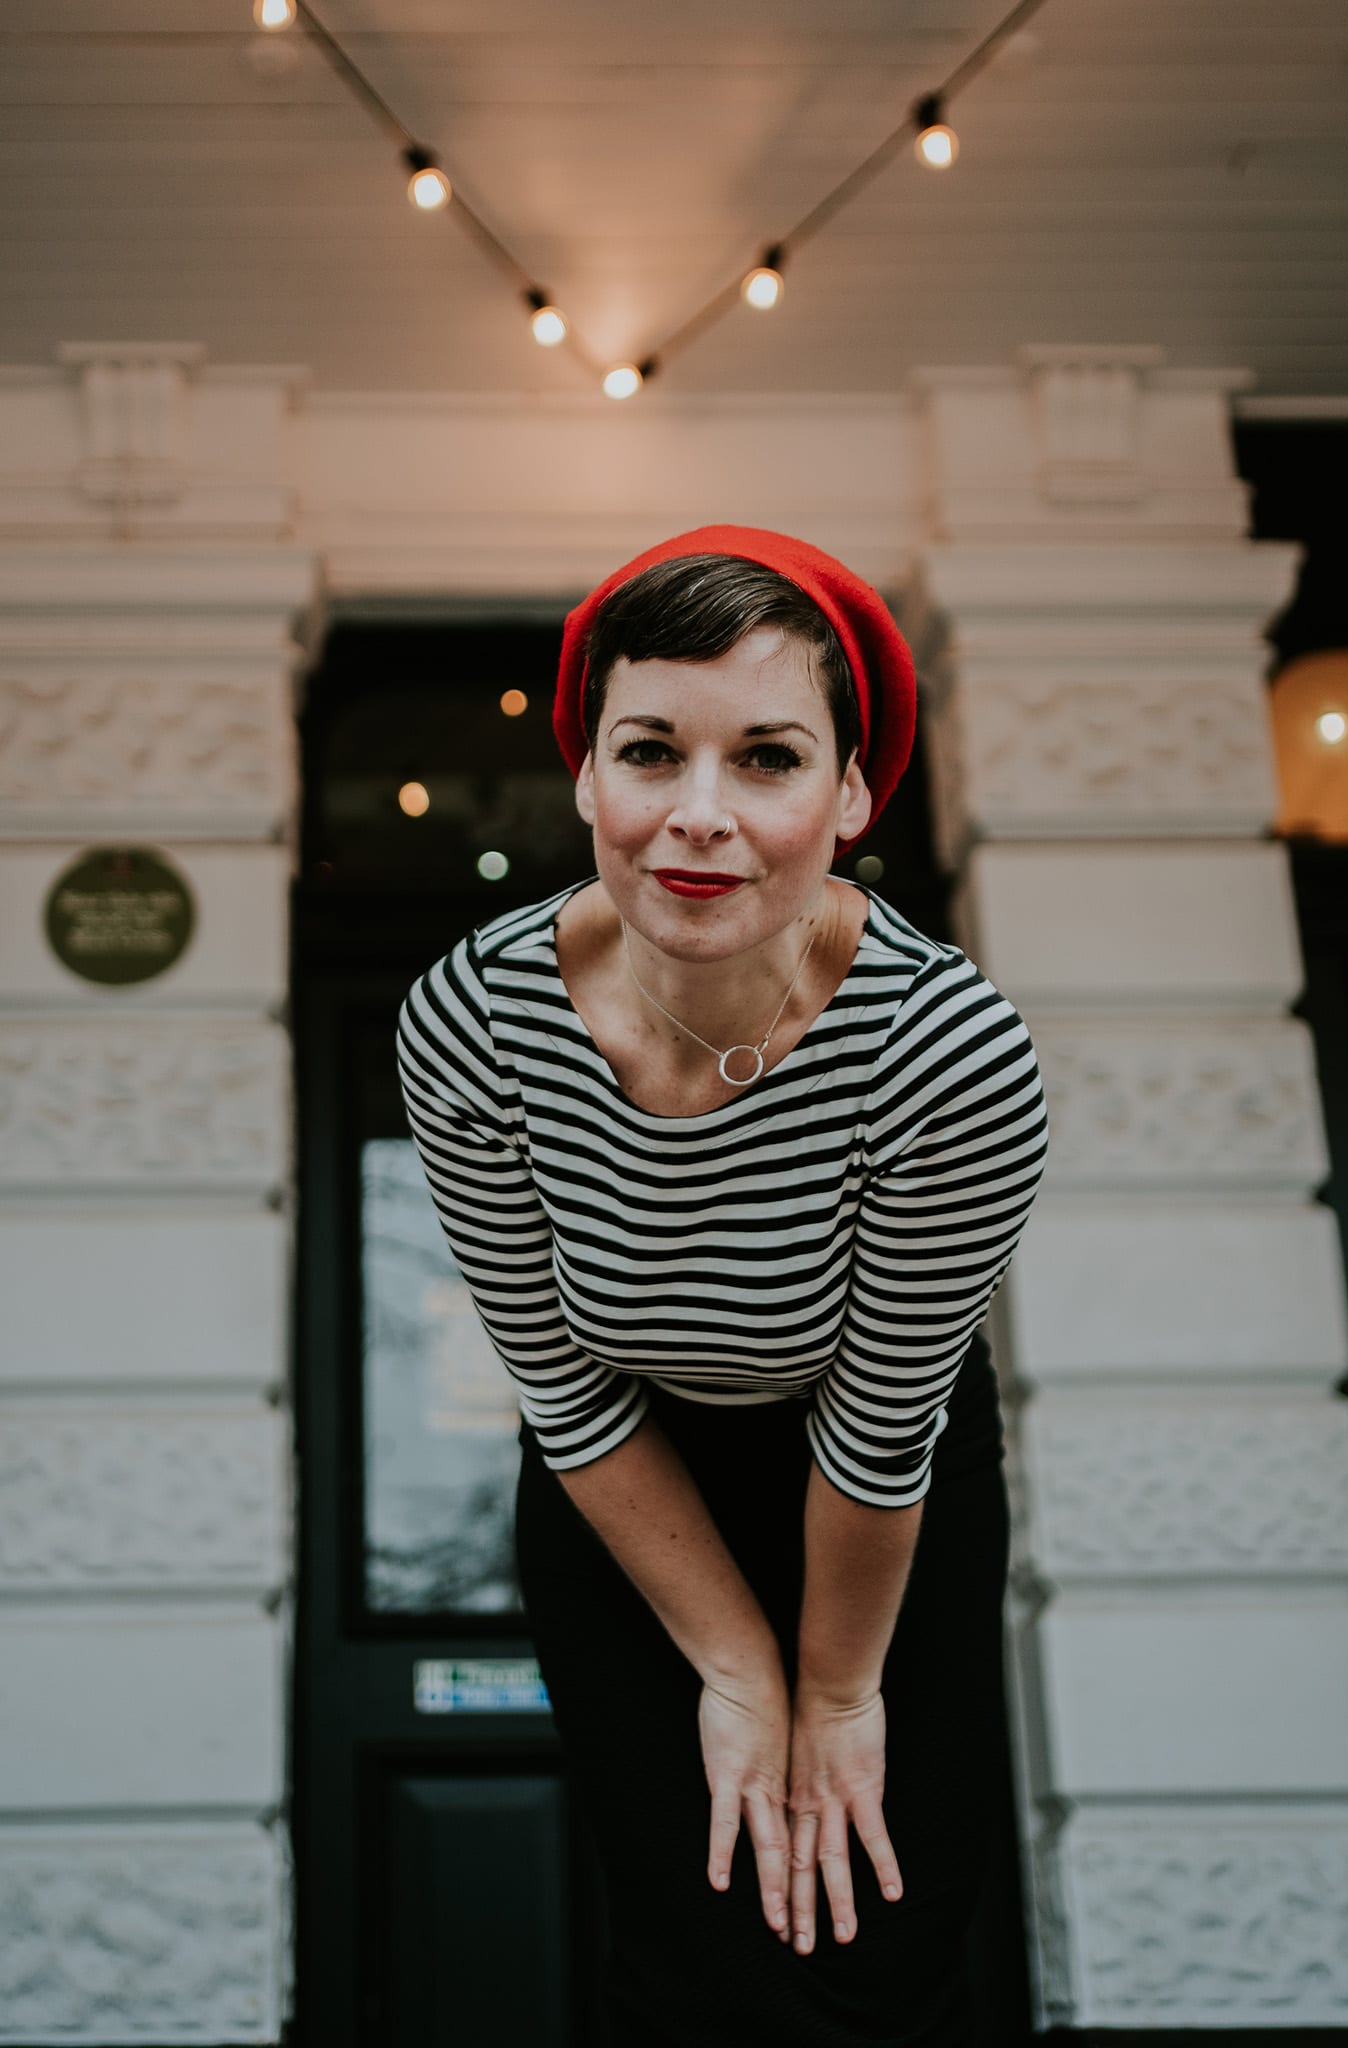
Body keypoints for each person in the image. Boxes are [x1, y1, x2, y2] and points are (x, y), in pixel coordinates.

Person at [396, 524, 1050, 2046]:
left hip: (881, 1486)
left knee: (870, 1921)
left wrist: (825, 1692)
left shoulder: (948, 1056)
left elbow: (885, 1427)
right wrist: (730, 1669)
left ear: (849, 793)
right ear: (584, 777)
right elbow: (557, 1381)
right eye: (650, 753)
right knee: (696, 1942)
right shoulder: (475, 1021)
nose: (698, 818)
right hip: (623, 1471)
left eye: (766, 758)